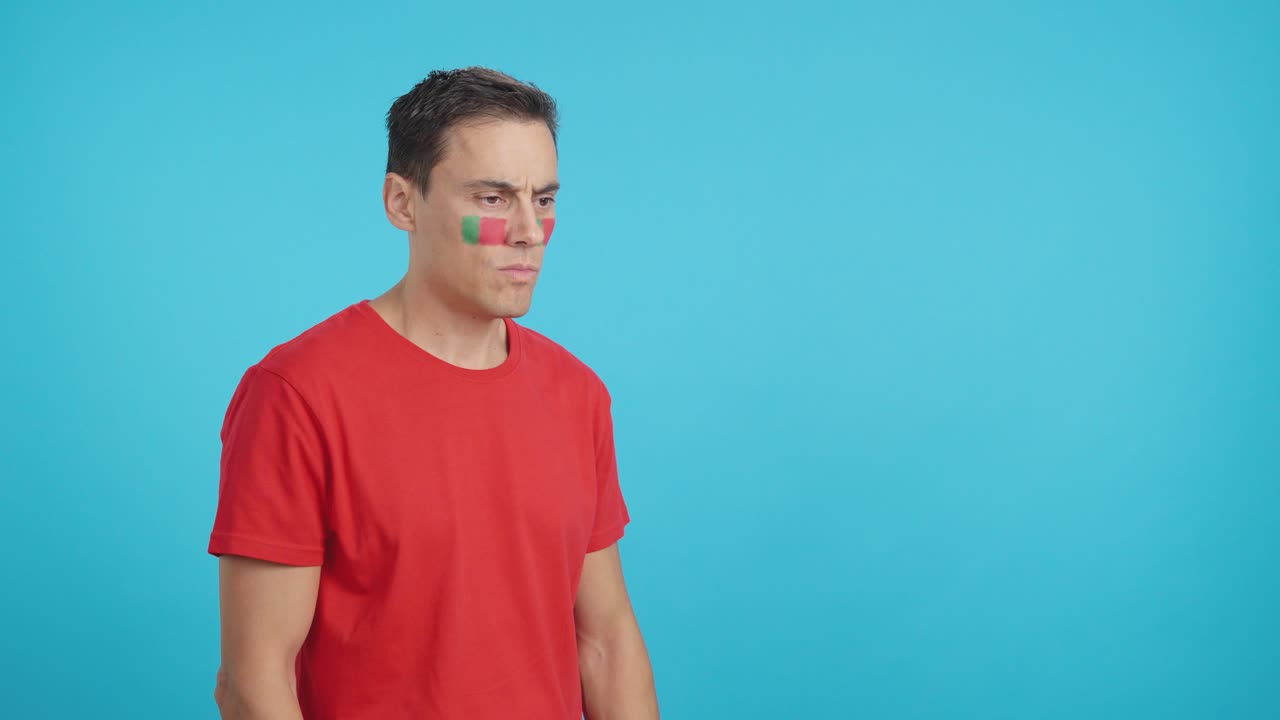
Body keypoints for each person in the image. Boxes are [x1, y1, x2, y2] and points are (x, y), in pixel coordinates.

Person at [207, 67, 659, 719]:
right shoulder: (298, 395)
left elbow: (606, 643)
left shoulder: (577, 393)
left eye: (544, 199)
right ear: (402, 203)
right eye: (493, 199)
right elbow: (254, 682)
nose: (530, 231)